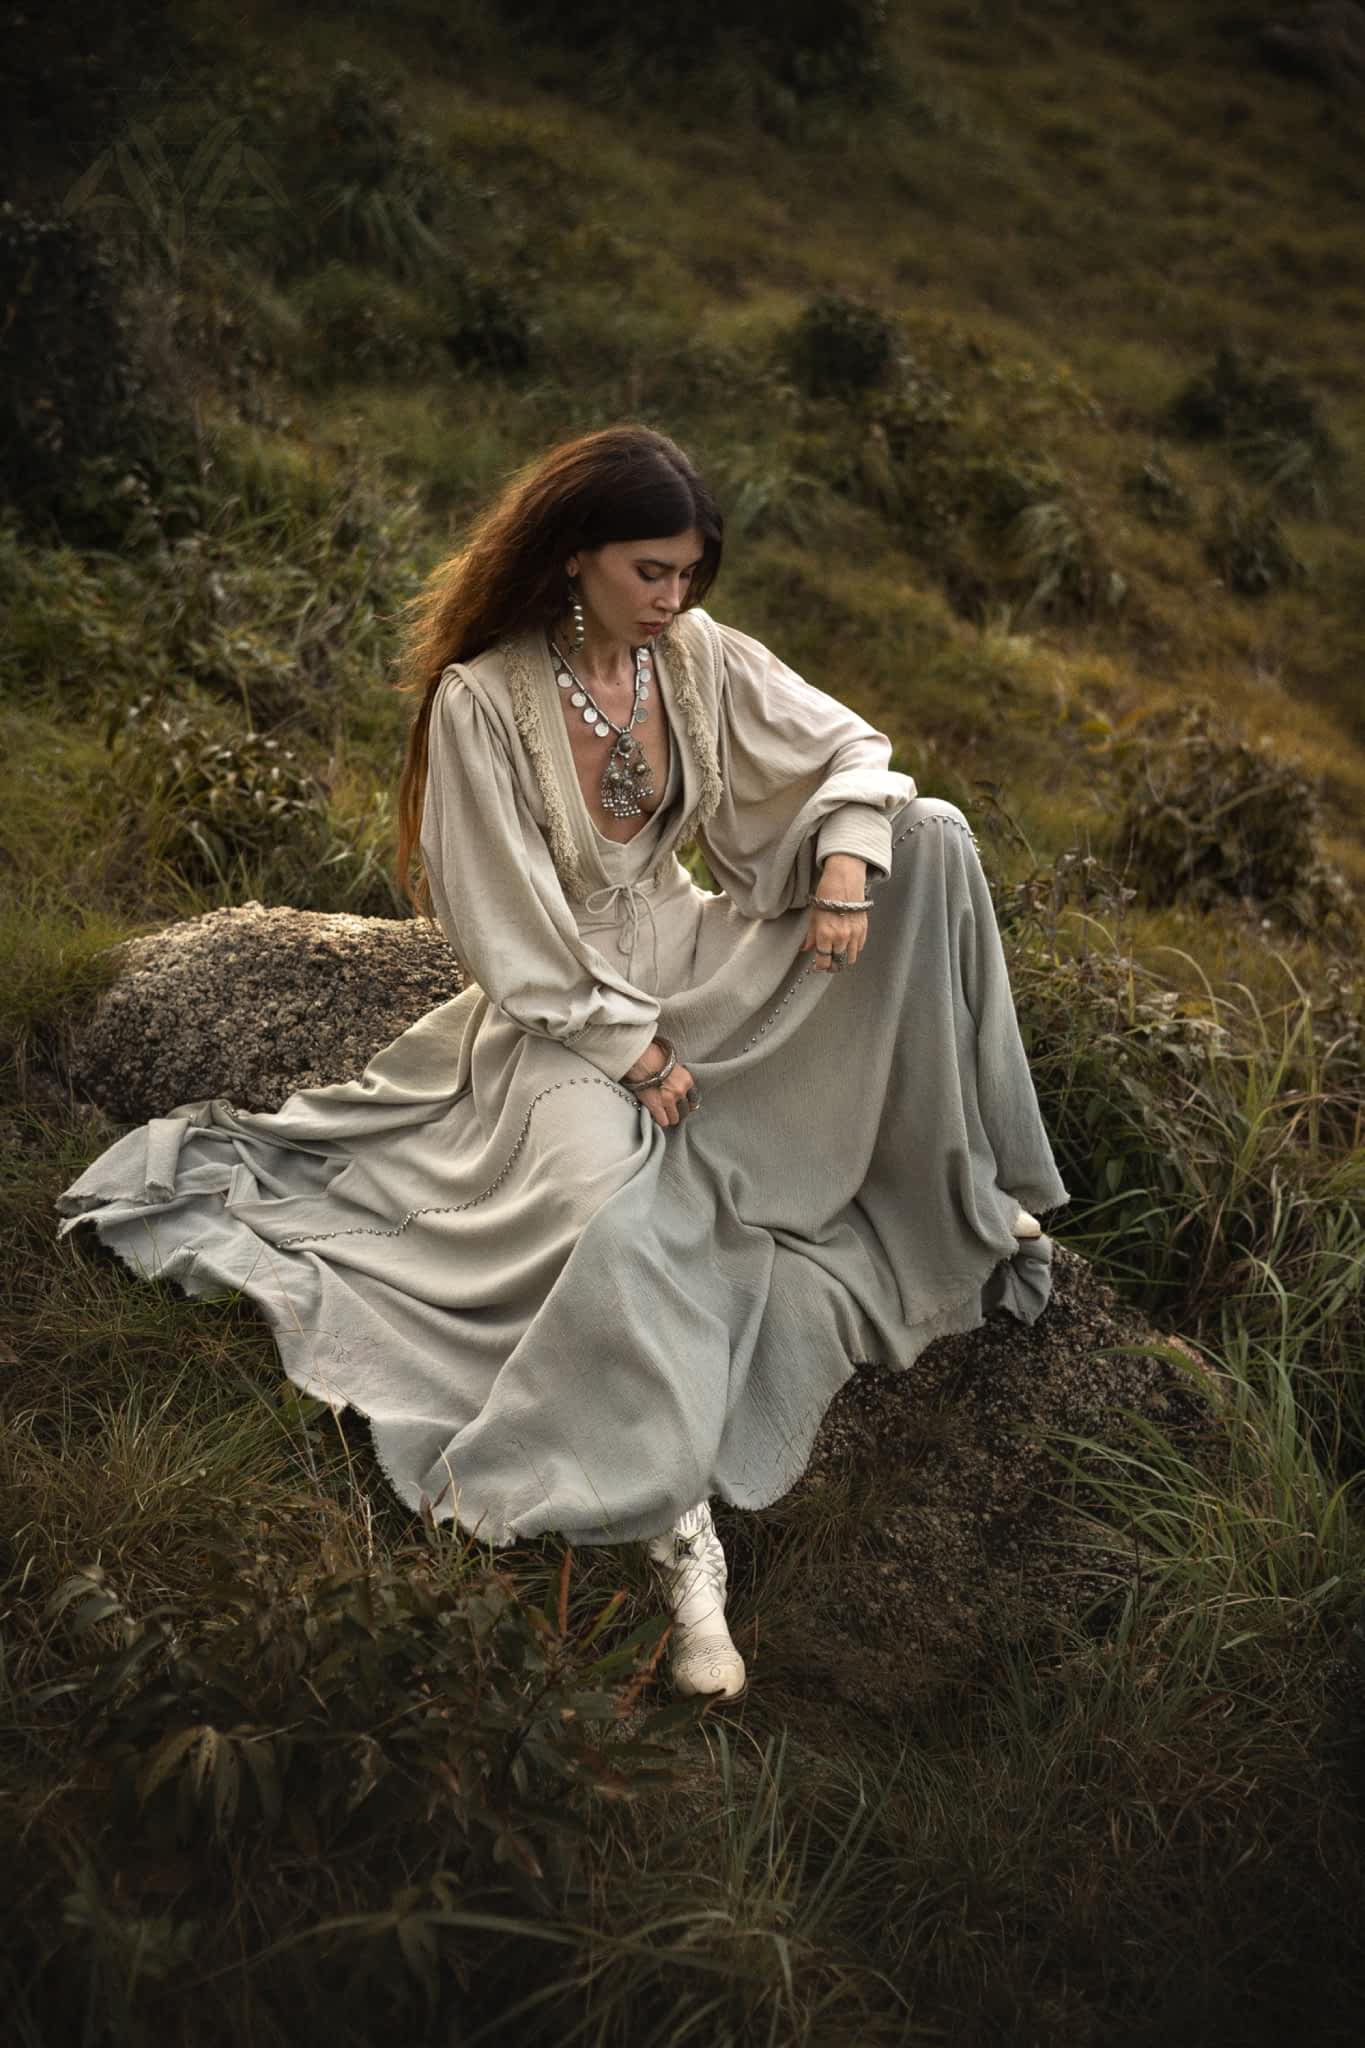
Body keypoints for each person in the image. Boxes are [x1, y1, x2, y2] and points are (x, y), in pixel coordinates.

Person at [56, 424, 1069, 1703]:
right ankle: (676, 1530)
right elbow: (502, 933)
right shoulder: (484, 701)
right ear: (577, 556)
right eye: (653, 570)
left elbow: (848, 748)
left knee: (933, 833)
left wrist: (849, 861)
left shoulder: (691, 656)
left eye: (691, 572)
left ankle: (951, 1181)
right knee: (613, 1206)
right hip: (562, 1011)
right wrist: (634, 1051)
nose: (676, 597)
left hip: (692, 946)